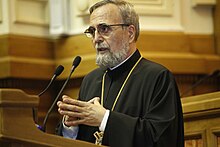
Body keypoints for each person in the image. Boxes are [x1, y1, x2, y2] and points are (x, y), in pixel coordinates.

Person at [56, 0, 184, 147]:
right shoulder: (91, 80)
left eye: (104, 29)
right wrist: (71, 126)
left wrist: (105, 119)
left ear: (130, 33)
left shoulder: (158, 77)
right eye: (92, 31)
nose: (96, 38)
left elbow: (161, 139)